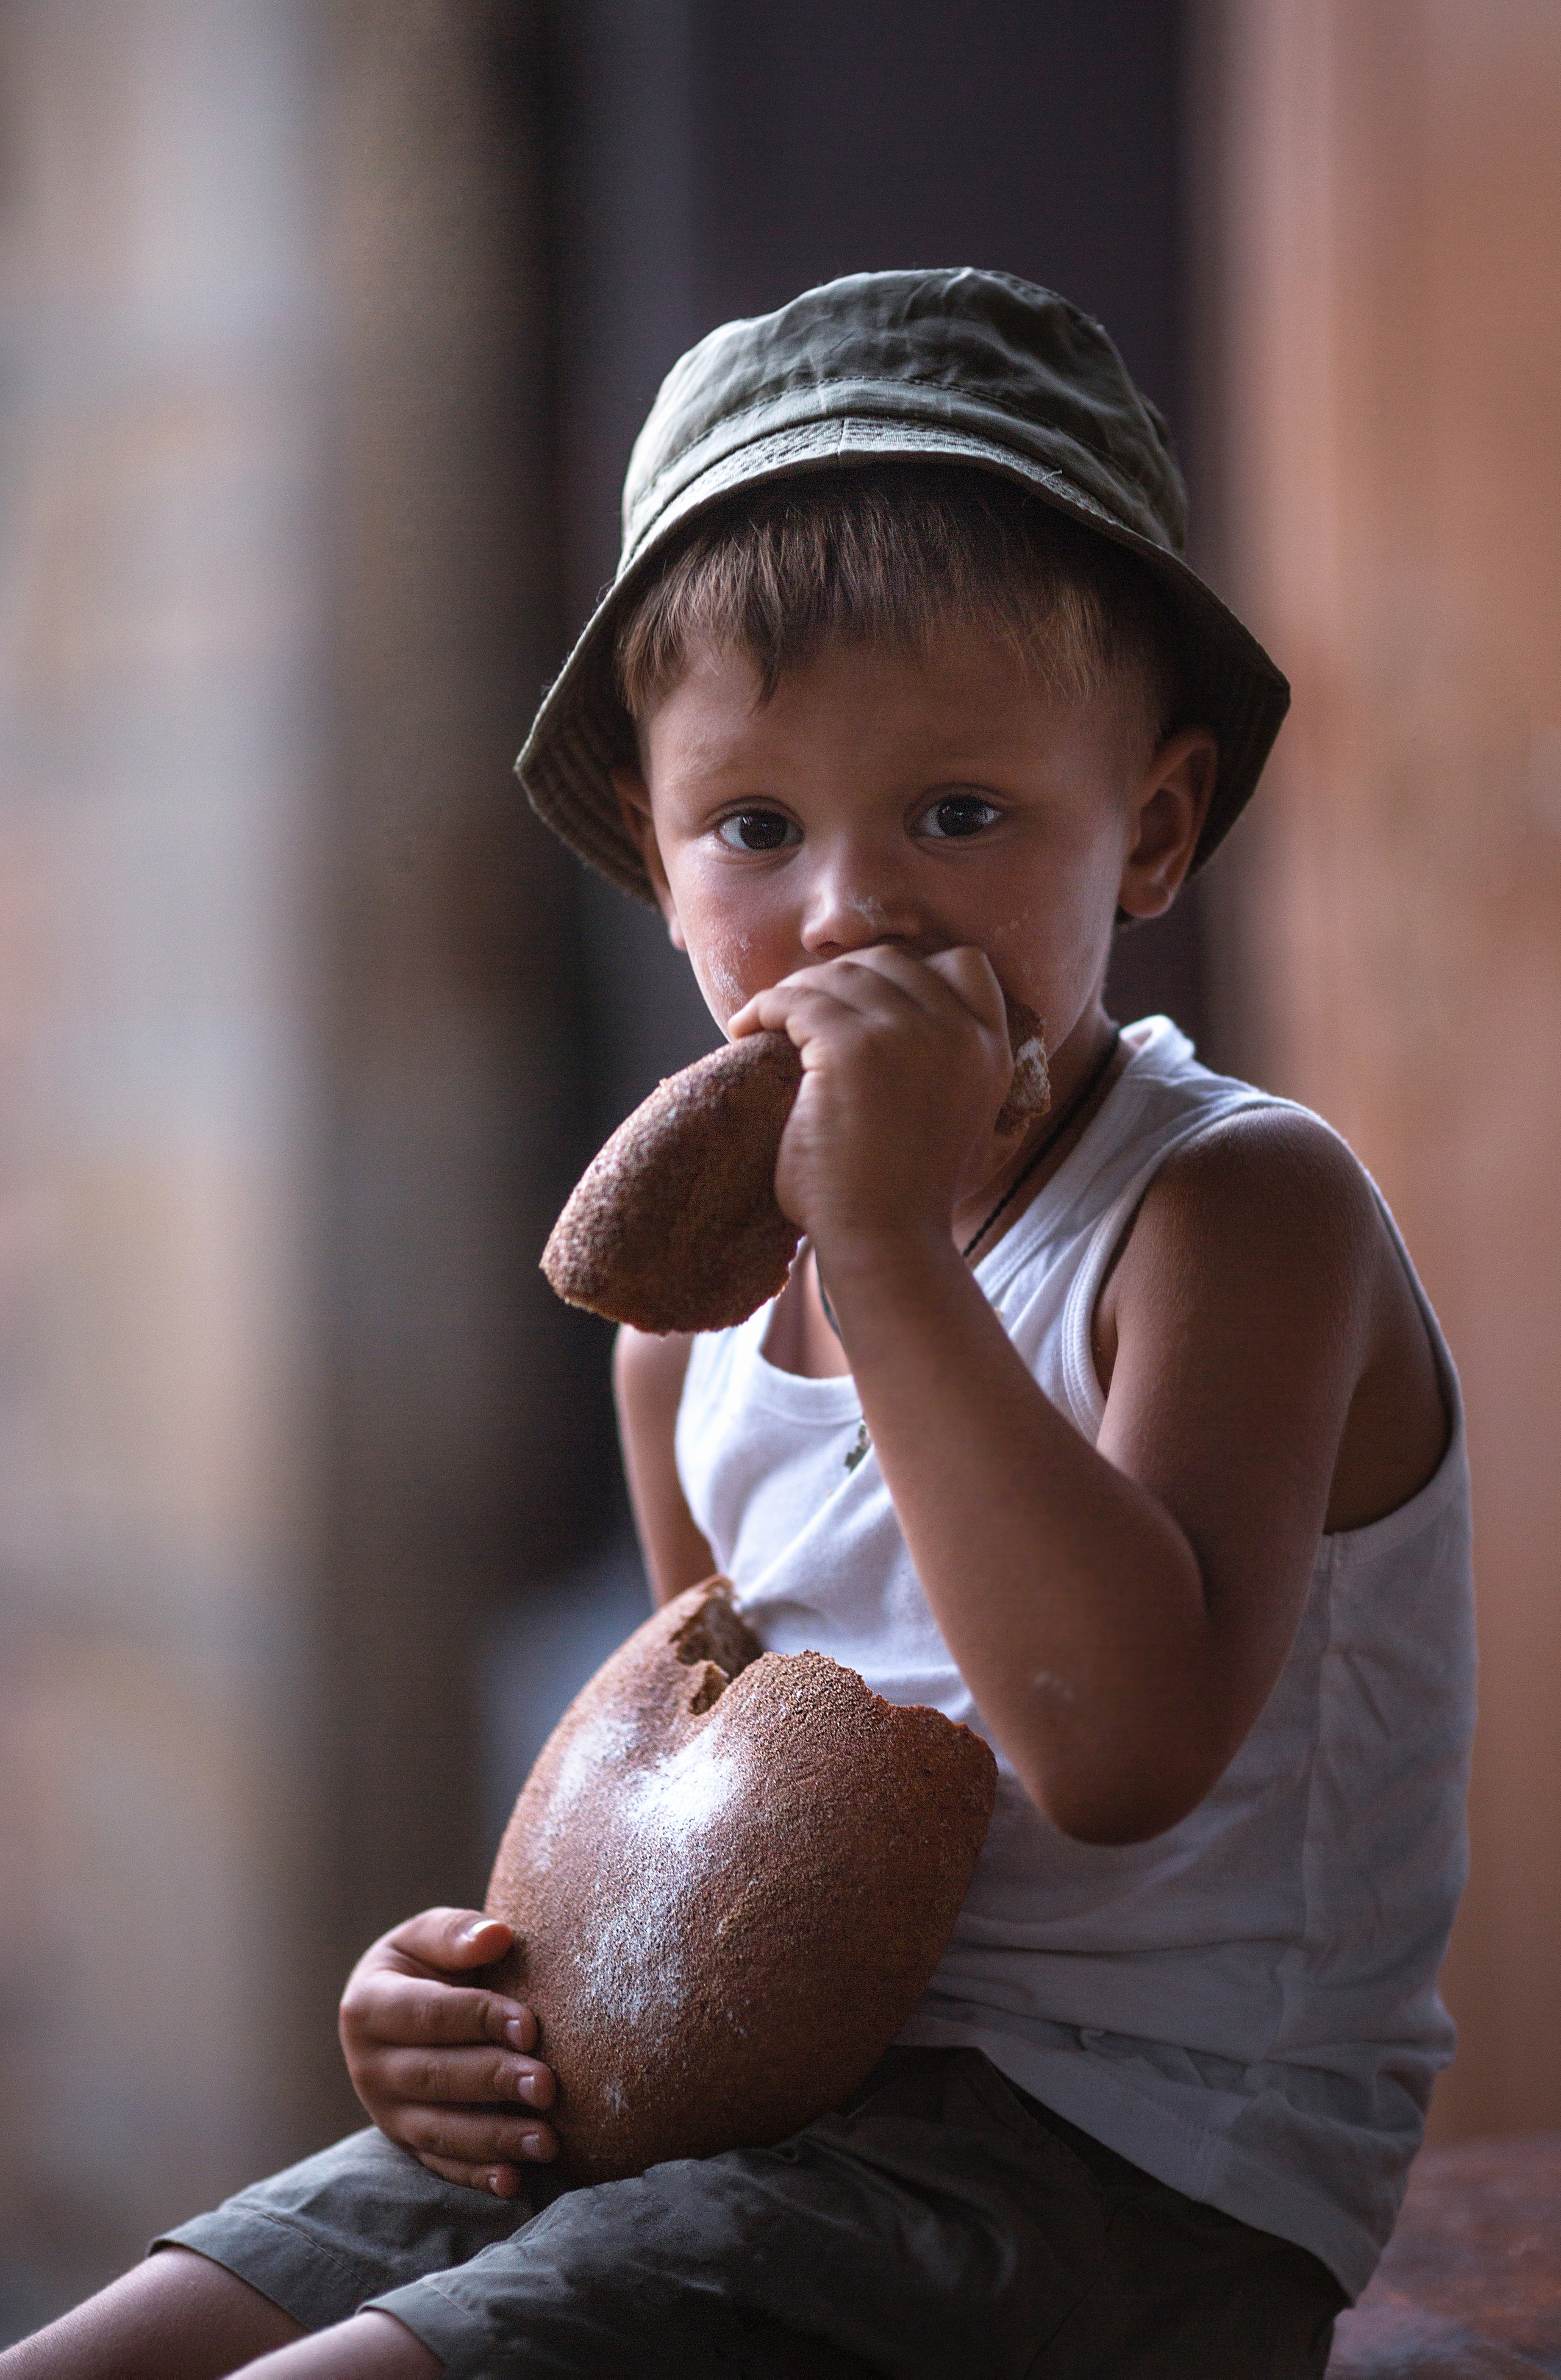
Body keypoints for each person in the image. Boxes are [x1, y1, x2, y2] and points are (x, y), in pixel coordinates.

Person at [2, 269, 1472, 2380]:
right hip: (774, 2103)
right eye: (757, 830)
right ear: (656, 863)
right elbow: (698, 1820)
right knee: (128, 2340)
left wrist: (884, 1253)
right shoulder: (682, 1331)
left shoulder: (1234, 1211)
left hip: (1140, 2184)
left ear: (1146, 830)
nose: (852, 912)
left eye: (961, 814)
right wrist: (458, 1998)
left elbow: (1123, 1750)